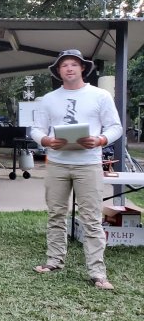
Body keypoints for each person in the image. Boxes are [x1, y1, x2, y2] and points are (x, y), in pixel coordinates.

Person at [30, 49, 123, 290]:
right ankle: (54, 261)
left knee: (91, 218)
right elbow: (36, 129)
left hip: (89, 164)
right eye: (64, 65)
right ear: (58, 71)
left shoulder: (100, 95)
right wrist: (46, 141)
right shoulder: (49, 99)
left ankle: (97, 273)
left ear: (83, 68)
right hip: (57, 163)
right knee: (56, 214)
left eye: (73, 64)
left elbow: (115, 127)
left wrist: (100, 140)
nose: (69, 68)